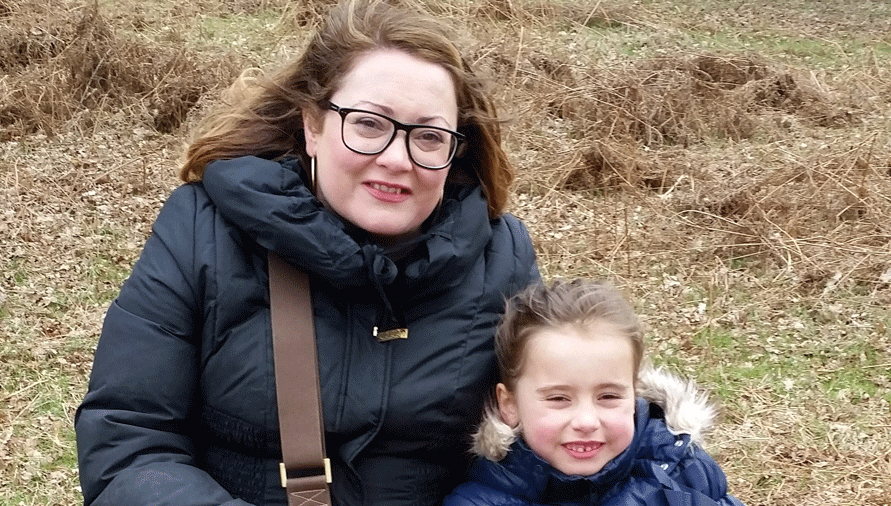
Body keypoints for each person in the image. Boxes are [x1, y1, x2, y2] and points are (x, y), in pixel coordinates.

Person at [73, 0, 539, 504]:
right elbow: (129, 439)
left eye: (428, 136)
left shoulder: (502, 257)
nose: (397, 159)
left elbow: (557, 433)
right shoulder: (204, 230)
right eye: (368, 124)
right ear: (313, 126)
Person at [443, 279, 746, 506]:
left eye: (609, 397)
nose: (586, 421)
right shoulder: (481, 500)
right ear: (509, 405)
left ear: (634, 395)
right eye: (559, 398)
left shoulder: (682, 469)